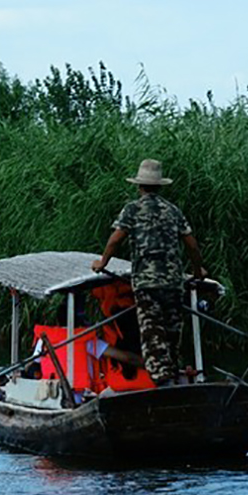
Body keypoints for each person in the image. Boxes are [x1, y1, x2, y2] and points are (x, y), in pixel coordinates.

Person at [92, 159, 206, 386]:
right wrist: (197, 269)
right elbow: (191, 245)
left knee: (152, 333)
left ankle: (163, 382)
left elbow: (115, 239)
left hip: (146, 283)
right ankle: (173, 377)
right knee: (172, 332)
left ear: (139, 186)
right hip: (173, 282)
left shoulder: (132, 209)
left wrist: (102, 262)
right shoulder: (173, 211)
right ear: (159, 186)